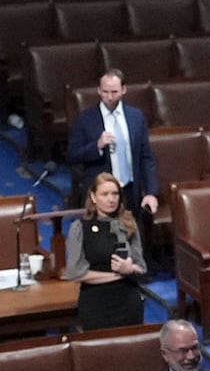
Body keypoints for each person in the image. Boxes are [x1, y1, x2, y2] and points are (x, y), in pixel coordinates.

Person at [63, 70, 160, 225]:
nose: (109, 97)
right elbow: (72, 155)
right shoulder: (85, 119)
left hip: (130, 191)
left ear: (123, 90)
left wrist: (151, 192)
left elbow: (146, 156)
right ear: (99, 91)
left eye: (114, 92)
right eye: (105, 92)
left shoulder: (136, 117)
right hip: (101, 193)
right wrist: (97, 146)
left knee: (131, 240)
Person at [70, 171, 149, 331]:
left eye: (115, 194)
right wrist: (118, 275)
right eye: (105, 194)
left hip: (128, 303)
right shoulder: (80, 228)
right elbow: (76, 272)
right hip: (96, 304)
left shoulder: (128, 223)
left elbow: (142, 268)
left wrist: (130, 269)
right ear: (93, 197)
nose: (111, 199)